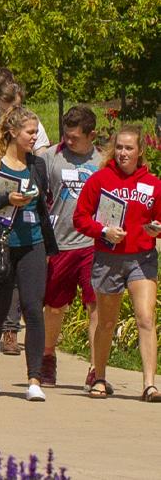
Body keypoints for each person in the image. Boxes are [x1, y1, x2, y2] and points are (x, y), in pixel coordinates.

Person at [0, 104, 57, 400]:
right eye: (30, 132)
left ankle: (34, 378)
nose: (35, 137)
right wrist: (4, 199)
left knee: (34, 310)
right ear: (13, 132)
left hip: (33, 242)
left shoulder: (37, 165)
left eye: (36, 131)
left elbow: (42, 202)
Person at [70, 126, 161, 401]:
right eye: (119, 147)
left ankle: (149, 384)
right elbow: (80, 218)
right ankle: (99, 377)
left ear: (139, 152)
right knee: (106, 322)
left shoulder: (154, 184)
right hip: (108, 258)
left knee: (145, 318)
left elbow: (159, 219)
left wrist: (156, 229)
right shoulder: (100, 180)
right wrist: (102, 231)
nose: (123, 153)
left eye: (129, 148)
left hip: (141, 258)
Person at [38, 106, 105, 388]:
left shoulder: (102, 162)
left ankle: (95, 366)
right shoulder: (51, 157)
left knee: (95, 305)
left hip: (92, 244)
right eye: (66, 135)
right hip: (60, 243)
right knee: (54, 307)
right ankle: (48, 356)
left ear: (91, 135)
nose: (68, 141)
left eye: (75, 138)